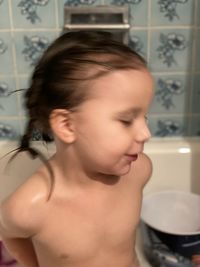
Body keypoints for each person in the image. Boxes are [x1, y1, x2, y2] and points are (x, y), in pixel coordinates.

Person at [0, 30, 154, 267]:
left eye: (145, 116)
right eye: (126, 120)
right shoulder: (29, 207)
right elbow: (10, 234)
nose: (146, 133)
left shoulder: (138, 172)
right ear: (67, 125)